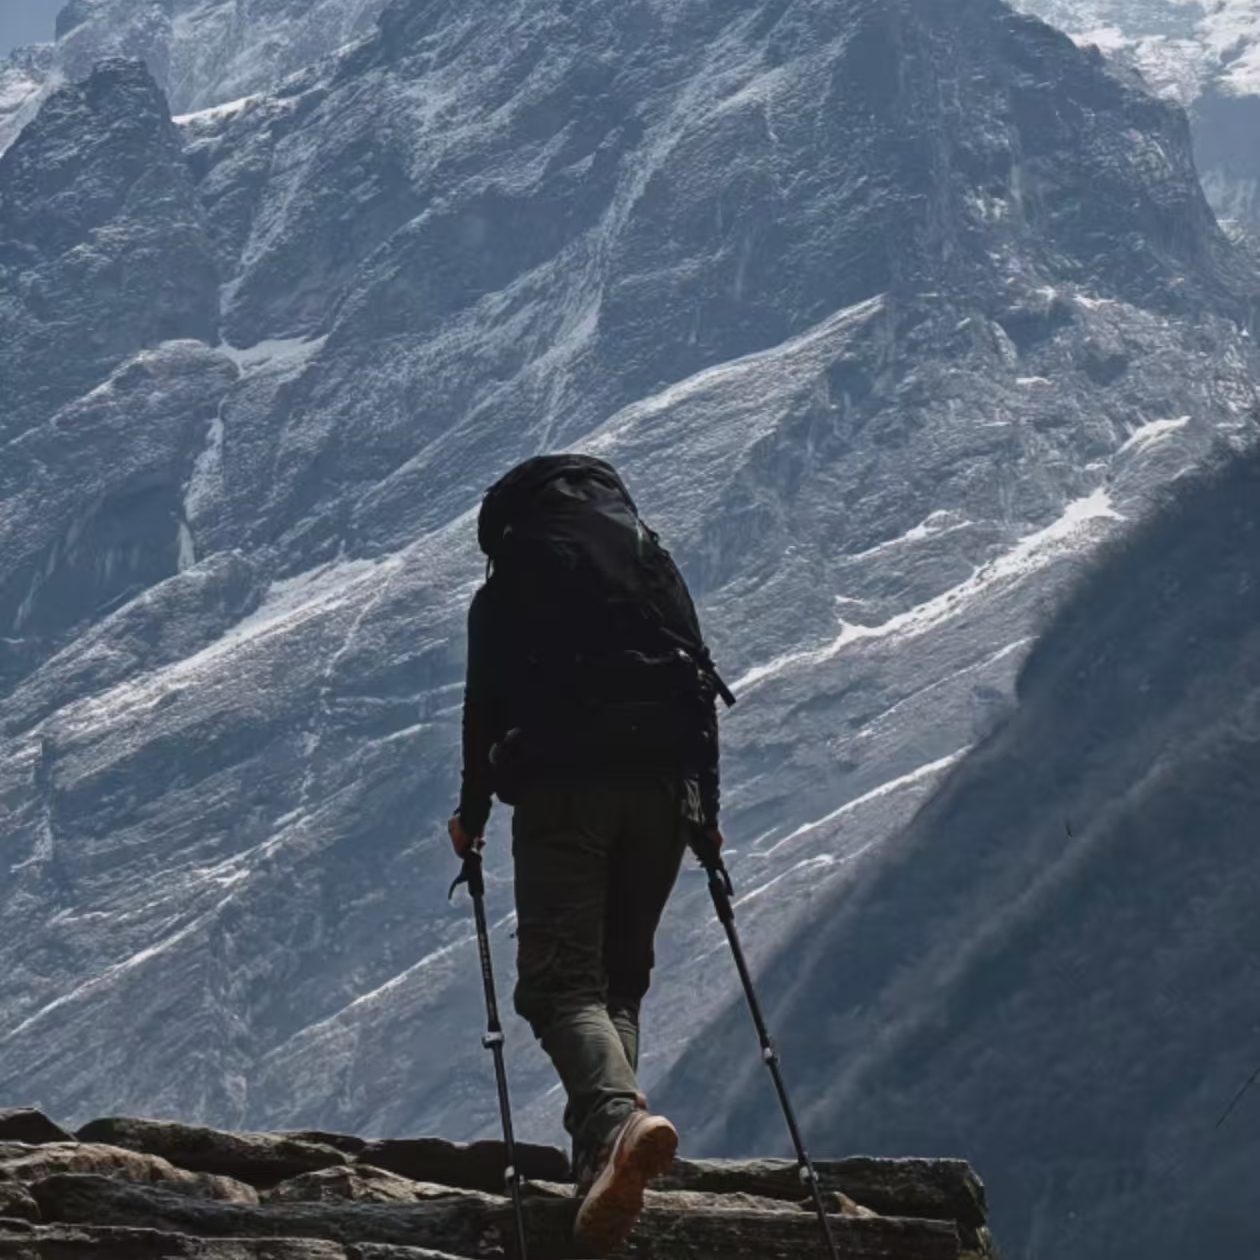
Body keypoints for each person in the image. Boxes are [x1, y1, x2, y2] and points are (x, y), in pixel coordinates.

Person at [447, 454, 728, 1256]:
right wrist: (706, 815)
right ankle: (602, 1170)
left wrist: (471, 818)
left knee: (558, 985)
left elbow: (482, 712)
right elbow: (700, 683)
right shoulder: (651, 565)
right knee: (618, 982)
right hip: (665, 794)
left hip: (567, 793)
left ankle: (613, 1127)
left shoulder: (507, 589)